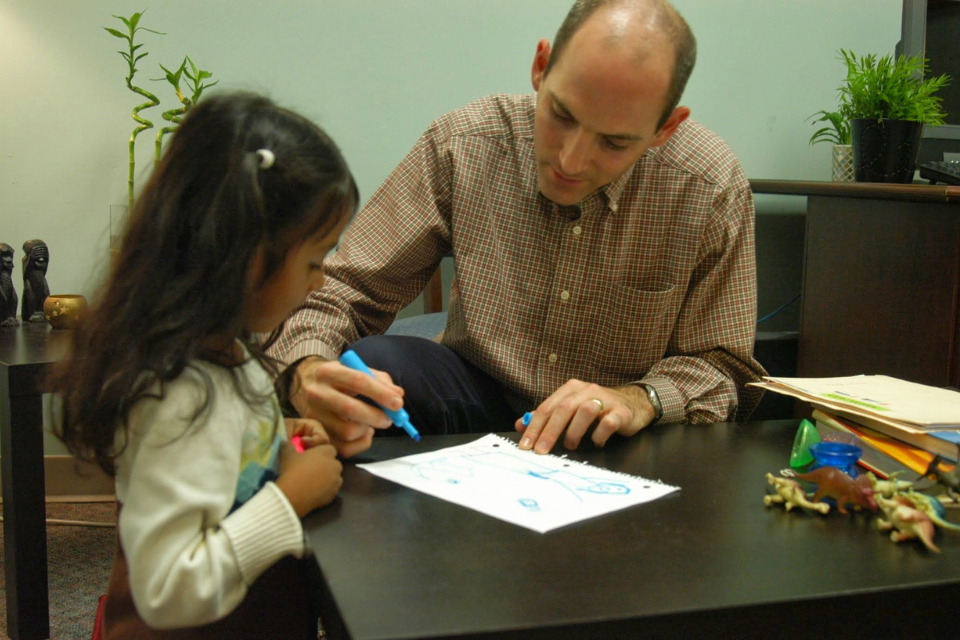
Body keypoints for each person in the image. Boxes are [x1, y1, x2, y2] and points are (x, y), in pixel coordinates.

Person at [271, 0, 766, 457]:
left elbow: (722, 369)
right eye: (562, 115)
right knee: (371, 363)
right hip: (476, 389)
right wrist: (306, 371)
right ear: (540, 66)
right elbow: (343, 290)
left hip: (616, 429)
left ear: (665, 128)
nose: (571, 160)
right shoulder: (465, 143)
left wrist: (641, 399)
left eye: (614, 143)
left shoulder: (708, 187)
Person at [49, 92, 368, 638]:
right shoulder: (175, 395)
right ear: (246, 258)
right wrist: (288, 497)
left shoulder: (231, 352)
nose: (321, 282)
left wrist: (282, 442)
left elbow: (222, 462)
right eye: (314, 262)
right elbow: (167, 590)